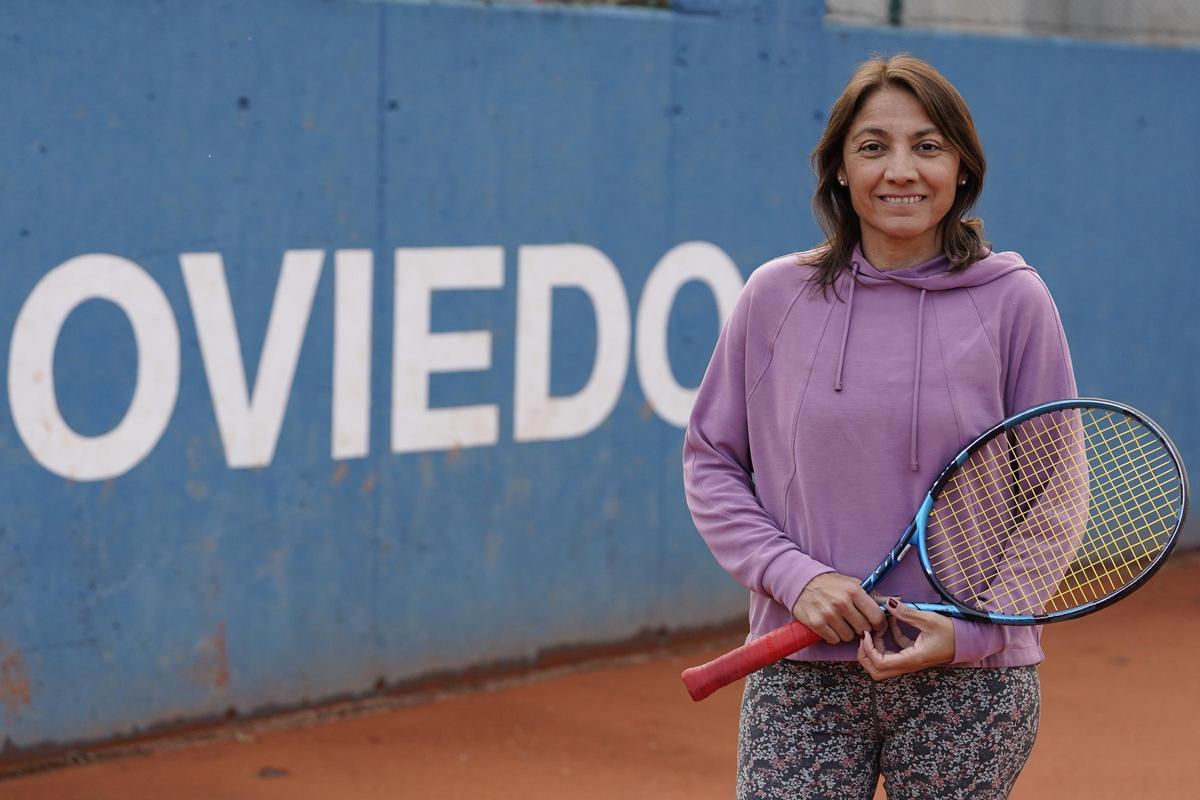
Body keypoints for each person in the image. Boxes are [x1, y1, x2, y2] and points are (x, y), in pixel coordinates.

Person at [682, 54, 1076, 800]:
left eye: (928, 146)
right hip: (802, 674)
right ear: (838, 171)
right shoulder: (776, 297)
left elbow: (1055, 490)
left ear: (962, 168)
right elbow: (711, 461)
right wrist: (796, 580)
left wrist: (976, 634)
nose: (901, 170)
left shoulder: (1015, 301)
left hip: (968, 683)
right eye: (873, 147)